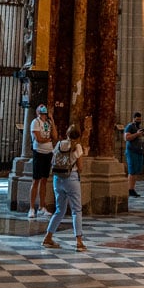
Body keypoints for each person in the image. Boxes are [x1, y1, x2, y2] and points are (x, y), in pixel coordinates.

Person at [42, 123, 86, 251]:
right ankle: (79, 242)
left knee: (59, 210)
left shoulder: (60, 144)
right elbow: (81, 167)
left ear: (67, 134)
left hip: (58, 178)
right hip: (71, 178)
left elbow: (53, 160)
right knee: (76, 210)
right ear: (78, 136)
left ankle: (48, 237)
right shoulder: (77, 146)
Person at [28, 103, 55, 218]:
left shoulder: (48, 123)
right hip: (38, 153)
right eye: (42, 111)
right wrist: (48, 139)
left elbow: (55, 135)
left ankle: (42, 206)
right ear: (38, 112)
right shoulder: (35, 122)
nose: (44, 114)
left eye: (45, 112)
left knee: (44, 180)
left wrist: (52, 120)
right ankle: (31, 208)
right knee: (36, 180)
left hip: (48, 153)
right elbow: (39, 139)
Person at [124, 111, 144, 196]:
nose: (138, 121)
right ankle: (130, 189)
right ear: (133, 119)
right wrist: (137, 134)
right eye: (137, 119)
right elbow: (127, 138)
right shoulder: (130, 127)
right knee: (132, 171)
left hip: (139, 152)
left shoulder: (138, 127)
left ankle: (132, 188)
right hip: (132, 151)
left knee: (136, 171)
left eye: (140, 119)